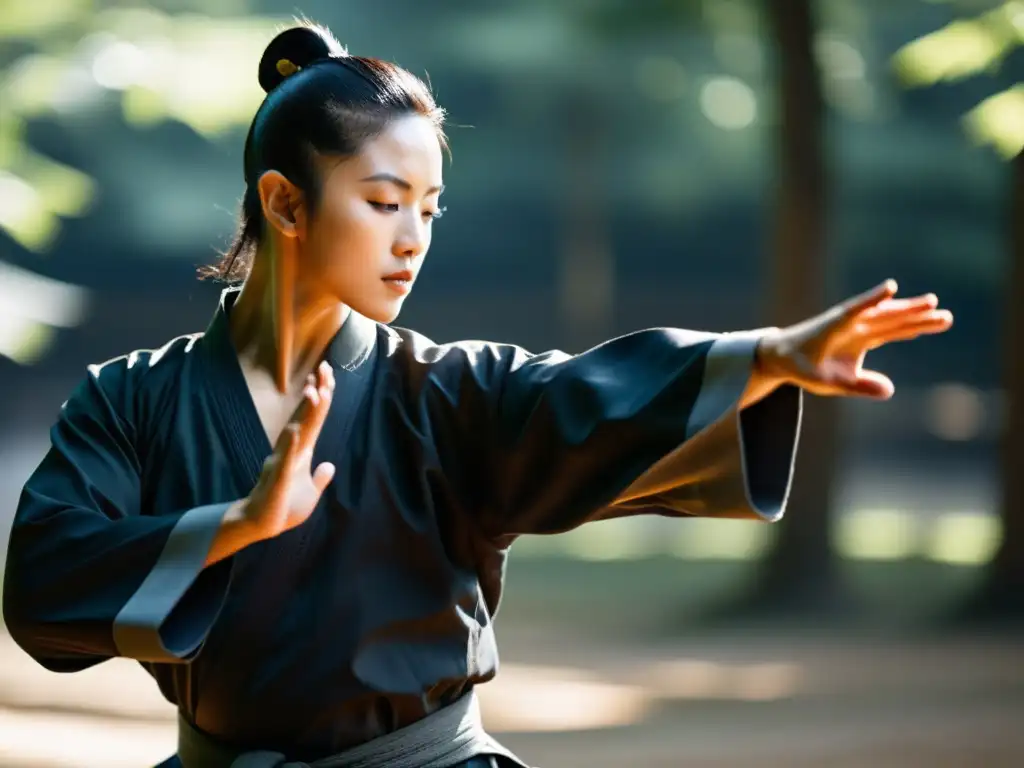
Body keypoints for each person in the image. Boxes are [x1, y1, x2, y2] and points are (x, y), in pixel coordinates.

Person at [1, 21, 952, 768]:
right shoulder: (130, 401)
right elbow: (47, 574)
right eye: (383, 202)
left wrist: (769, 357)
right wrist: (235, 526)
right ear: (287, 203)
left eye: (429, 207)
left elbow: (588, 397)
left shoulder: (445, 393)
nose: (413, 237)